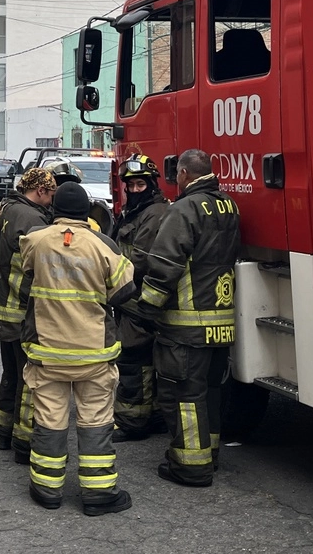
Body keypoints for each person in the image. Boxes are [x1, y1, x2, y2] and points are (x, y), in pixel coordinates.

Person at [19, 182, 136, 516]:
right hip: (93, 354)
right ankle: (99, 495)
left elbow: (25, 278)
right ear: (86, 212)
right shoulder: (102, 244)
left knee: (49, 419)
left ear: (54, 210)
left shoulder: (36, 240)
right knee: (95, 420)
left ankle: (46, 490)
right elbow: (125, 289)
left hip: (48, 352)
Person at [135, 149, 240, 488]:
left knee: (184, 395)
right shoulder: (228, 205)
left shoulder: (184, 209)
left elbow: (165, 265)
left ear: (183, 174)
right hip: (220, 322)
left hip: (186, 326)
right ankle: (209, 454)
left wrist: (146, 308)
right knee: (210, 392)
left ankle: (191, 466)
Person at [0, 166, 56, 463]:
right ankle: (23, 442)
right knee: (29, 379)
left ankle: (4, 432)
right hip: (22, 311)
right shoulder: (32, 219)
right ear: (40, 190)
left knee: (10, 374)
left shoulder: (2, 210)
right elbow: (40, 267)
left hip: (2, 308)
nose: (52, 201)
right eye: (50, 194)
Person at [109, 154, 169, 441]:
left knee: (134, 360)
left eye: (140, 185)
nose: (134, 190)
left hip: (139, 300)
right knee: (144, 360)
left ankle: (132, 422)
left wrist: (109, 270)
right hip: (129, 299)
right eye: (130, 185)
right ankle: (153, 416)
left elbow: (141, 260)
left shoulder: (154, 213)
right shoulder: (134, 211)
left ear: (152, 184)